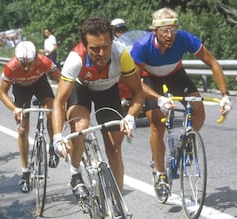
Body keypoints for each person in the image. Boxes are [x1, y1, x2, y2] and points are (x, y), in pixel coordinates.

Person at [130, 7, 232, 194]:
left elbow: (212, 62)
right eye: (165, 31)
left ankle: (187, 141)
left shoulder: (184, 38)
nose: (170, 35)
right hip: (150, 79)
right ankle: (161, 175)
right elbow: (135, 84)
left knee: (198, 107)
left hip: (175, 74)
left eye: (173, 30)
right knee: (157, 126)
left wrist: (225, 96)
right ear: (155, 31)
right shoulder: (142, 46)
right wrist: (159, 98)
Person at [52, 16, 144, 201]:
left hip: (108, 92)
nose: (101, 53)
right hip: (81, 89)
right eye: (94, 49)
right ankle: (75, 173)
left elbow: (138, 93)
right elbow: (59, 100)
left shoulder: (122, 54)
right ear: (85, 46)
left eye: (106, 46)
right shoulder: (75, 59)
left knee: (115, 149)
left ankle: (118, 203)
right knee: (80, 128)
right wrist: (56, 136)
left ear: (112, 41)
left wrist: (131, 116)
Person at [0, 41, 61, 193]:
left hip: (40, 84)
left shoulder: (44, 61)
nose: (26, 68)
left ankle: (53, 147)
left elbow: (61, 80)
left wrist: (60, 102)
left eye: (29, 63)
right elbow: (2, 93)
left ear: (36, 59)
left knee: (51, 111)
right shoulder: (11, 67)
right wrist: (15, 109)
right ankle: (25, 172)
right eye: (22, 64)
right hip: (20, 89)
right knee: (22, 130)